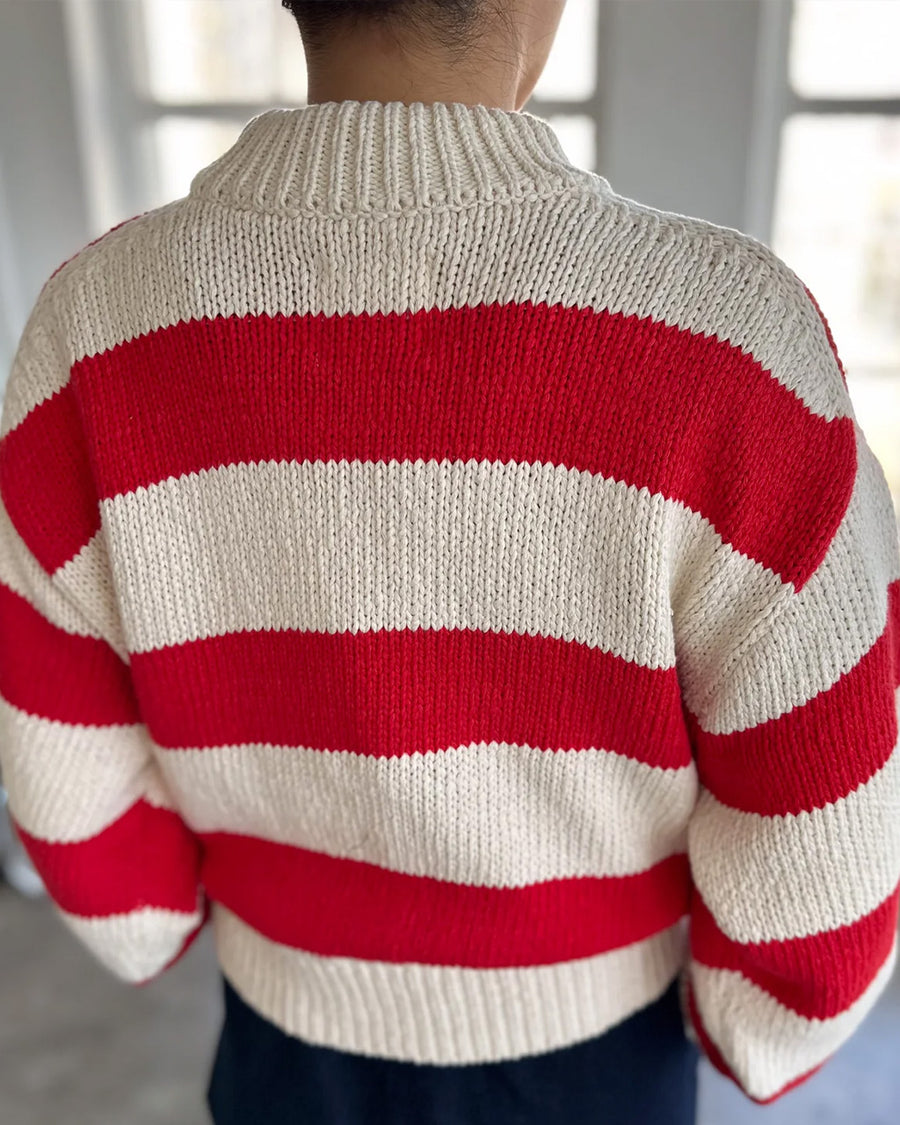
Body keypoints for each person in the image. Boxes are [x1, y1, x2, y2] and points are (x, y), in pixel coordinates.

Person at [0, 0, 898, 1122]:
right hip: (596, 1060)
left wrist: (158, 920)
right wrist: (761, 1022)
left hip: (282, 1045)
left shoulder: (91, 331)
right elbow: (826, 810)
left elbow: (61, 764)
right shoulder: (730, 349)